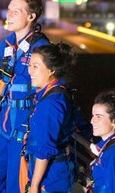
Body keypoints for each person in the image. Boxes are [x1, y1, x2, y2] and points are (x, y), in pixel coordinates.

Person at [0, 0, 50, 193]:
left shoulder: (42, 49)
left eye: (17, 11)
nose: (10, 14)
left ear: (31, 16)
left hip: (24, 129)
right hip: (2, 125)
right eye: (9, 9)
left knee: (16, 187)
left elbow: (49, 91)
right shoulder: (6, 45)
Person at [20, 43, 80, 193]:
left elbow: (44, 148)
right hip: (53, 172)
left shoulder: (51, 104)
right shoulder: (56, 93)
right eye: (30, 65)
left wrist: (34, 186)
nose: (30, 71)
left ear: (52, 70)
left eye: (35, 66)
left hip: (50, 178)